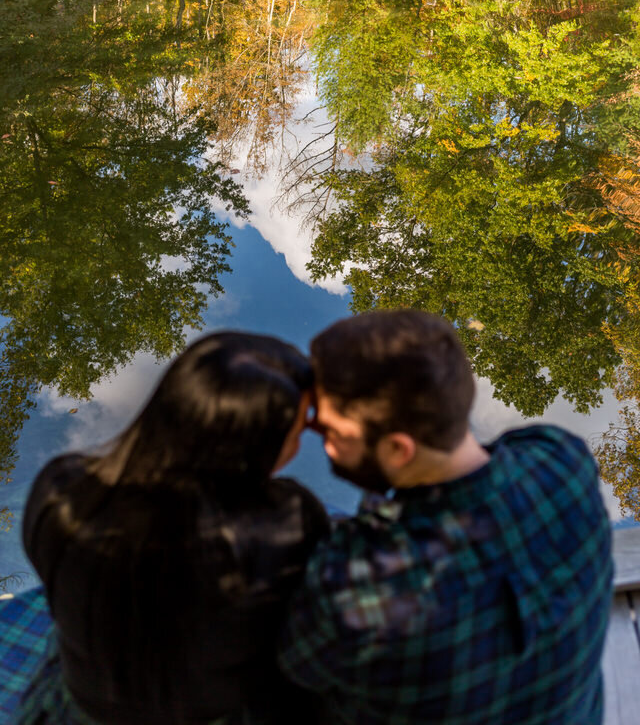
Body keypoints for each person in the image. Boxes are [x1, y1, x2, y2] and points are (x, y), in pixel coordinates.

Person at [278, 309, 613, 725]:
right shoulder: (562, 460)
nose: (316, 436)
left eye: (329, 431)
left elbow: (296, 667)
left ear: (399, 450)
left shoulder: (360, 583)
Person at [19, 331, 329, 725]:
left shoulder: (62, 490)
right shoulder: (287, 522)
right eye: (300, 430)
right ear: (254, 443)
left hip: (84, 708)